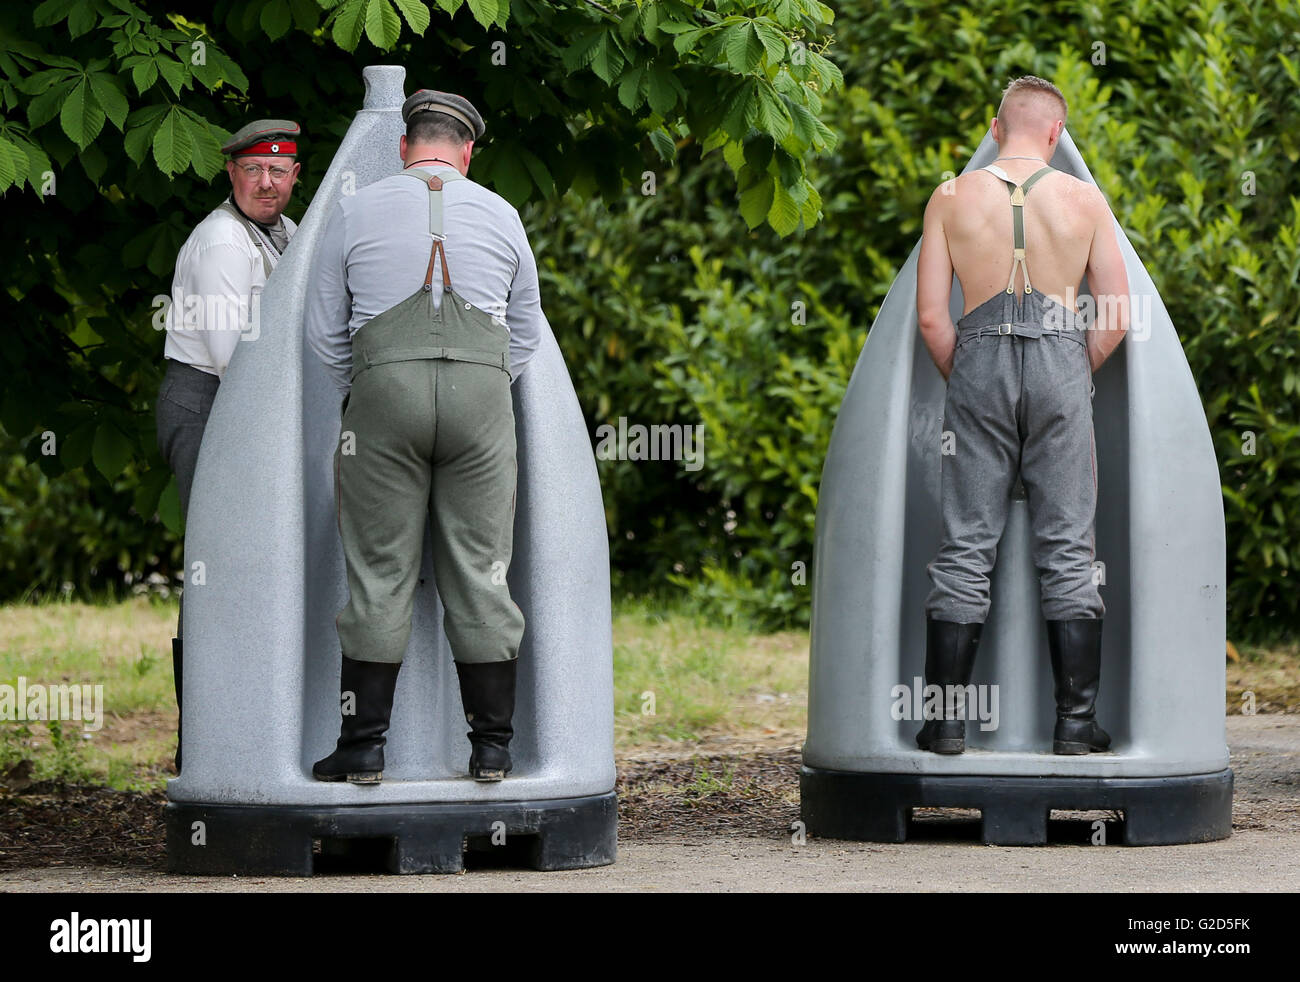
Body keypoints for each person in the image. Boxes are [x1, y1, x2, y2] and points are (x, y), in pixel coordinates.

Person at [305, 89, 544, 784]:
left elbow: (324, 332)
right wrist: (482, 383)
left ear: (407, 146)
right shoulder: (502, 213)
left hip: (383, 397)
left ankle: (364, 747)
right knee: (482, 569)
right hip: (481, 402)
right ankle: (492, 748)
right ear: (466, 151)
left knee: (380, 573)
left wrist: (376, 384)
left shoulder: (355, 210)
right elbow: (526, 331)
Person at [914, 76, 1129, 755]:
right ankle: (1074, 724)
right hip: (1064, 361)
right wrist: (1068, 374)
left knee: (964, 546)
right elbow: (1116, 316)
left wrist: (970, 381)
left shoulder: (950, 197)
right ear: (1058, 134)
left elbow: (929, 317)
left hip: (975, 361)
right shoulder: (1085, 200)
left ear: (995, 126)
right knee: (1068, 547)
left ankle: (947, 723)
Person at [156, 119, 302, 771]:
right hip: (213, 405)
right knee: (220, 572)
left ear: (296, 177)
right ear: (231, 174)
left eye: (279, 171)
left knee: (253, 566)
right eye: (253, 171)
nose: (266, 183)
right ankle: (205, 743)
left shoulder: (287, 235)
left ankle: (248, 729)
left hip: (252, 406)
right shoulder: (220, 241)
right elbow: (227, 358)